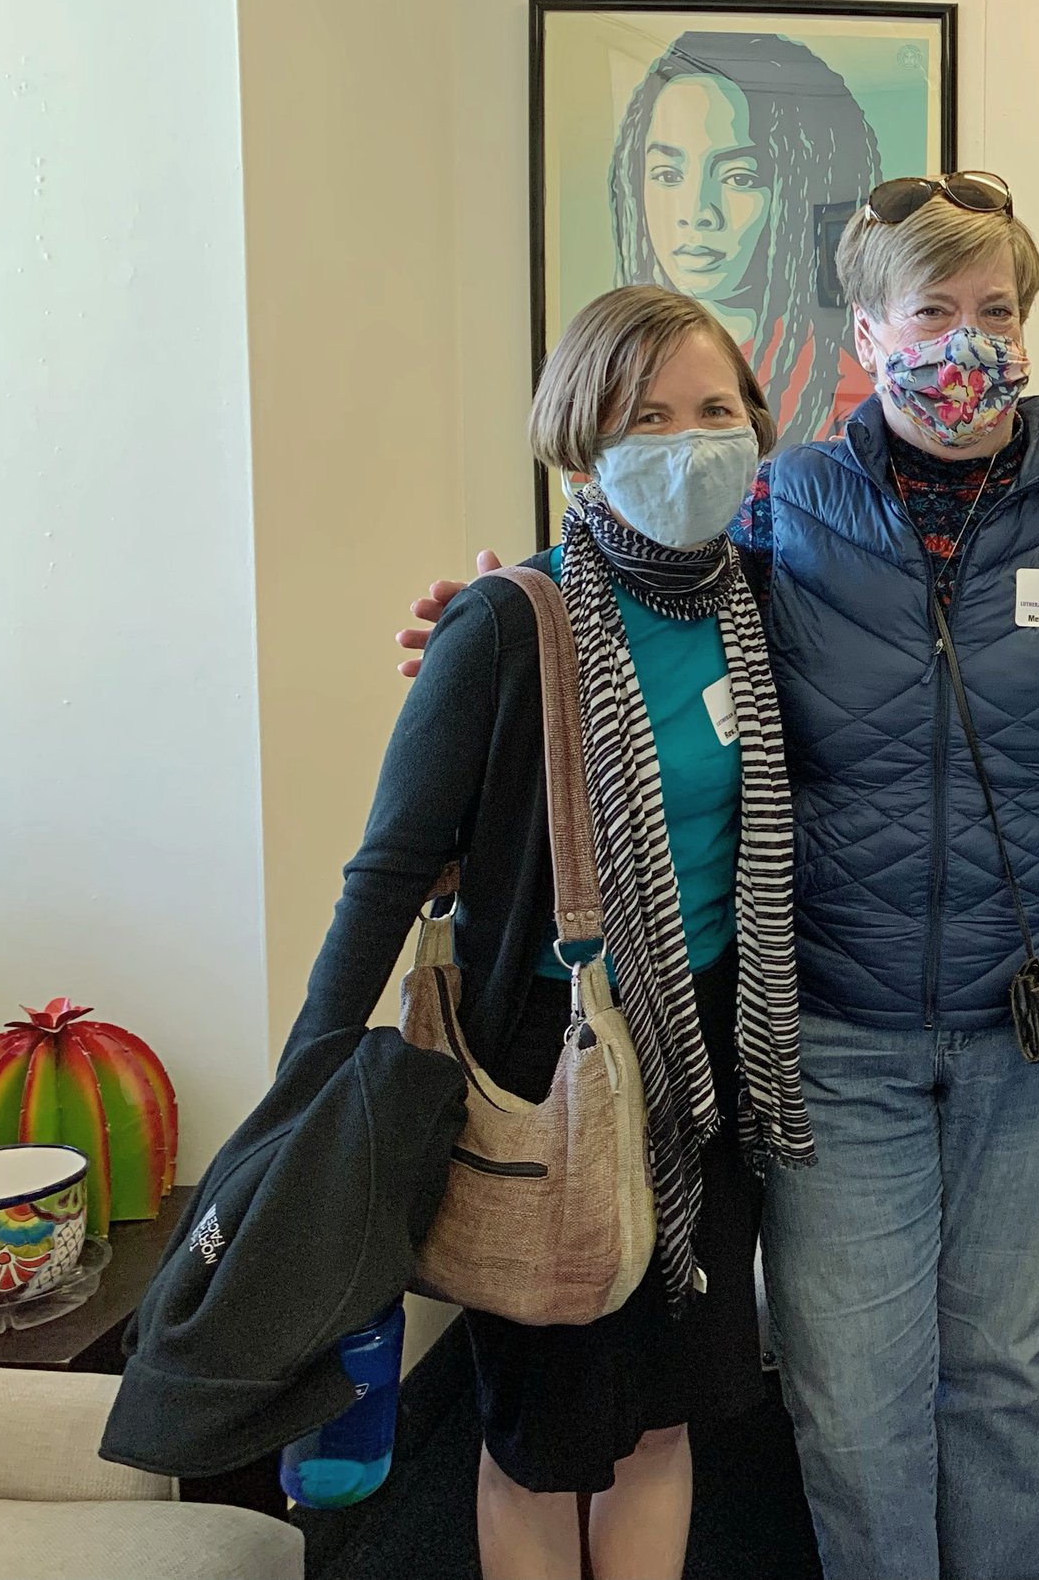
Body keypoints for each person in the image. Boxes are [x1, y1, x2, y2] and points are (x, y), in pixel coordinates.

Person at [404, 174, 1039, 1580]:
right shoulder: (777, 512)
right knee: (856, 1395)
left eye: (995, 309)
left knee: (1002, 1378)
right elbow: (639, 612)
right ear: (869, 331)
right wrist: (489, 632)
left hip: (1037, 1031)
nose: (966, 338)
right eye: (930, 309)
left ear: (1030, 320)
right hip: (833, 1028)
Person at [293, 284, 813, 1580]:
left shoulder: (758, 604)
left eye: (714, 409)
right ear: (581, 439)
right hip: (546, 1070)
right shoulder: (507, 622)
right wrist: (301, 1086)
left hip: (702, 1068)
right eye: (649, 413)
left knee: (657, 1423)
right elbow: (388, 868)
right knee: (539, 1434)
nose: (690, 439)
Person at [611, 29, 887, 443]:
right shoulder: (614, 375)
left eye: (738, 178)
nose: (697, 213)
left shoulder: (845, 402)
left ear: (796, 197)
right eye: (668, 175)